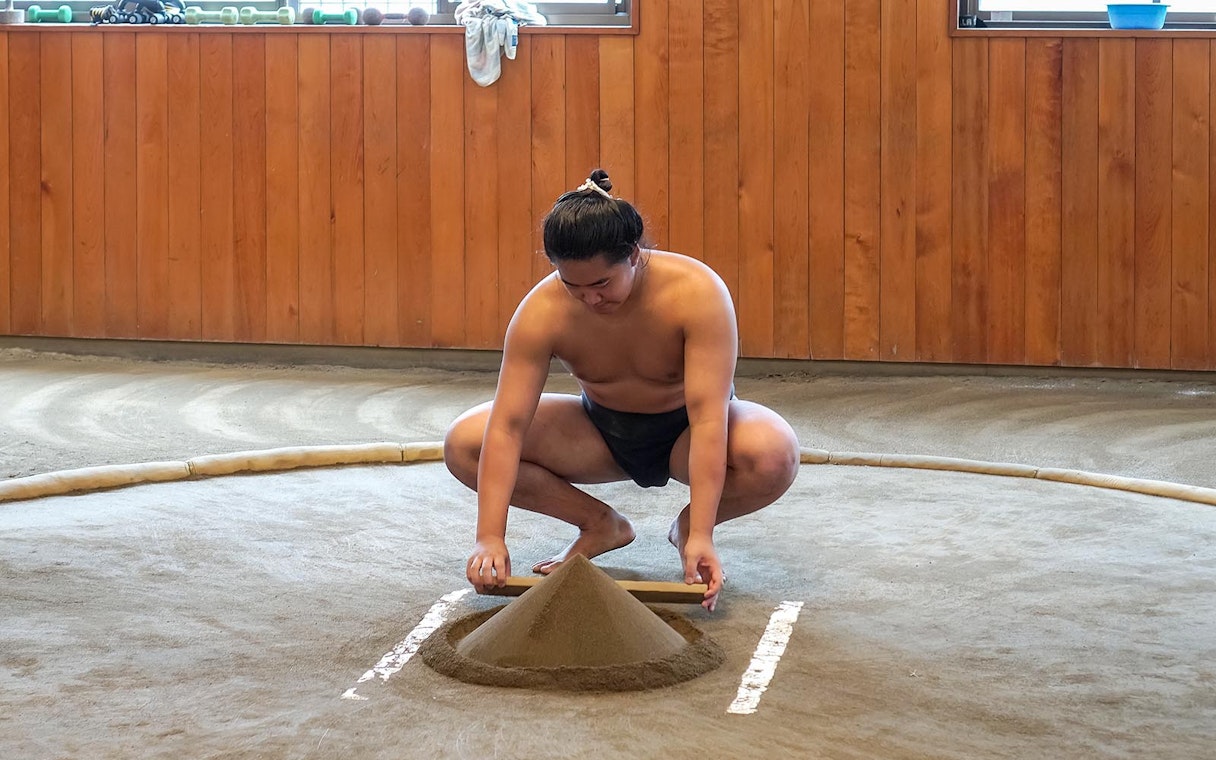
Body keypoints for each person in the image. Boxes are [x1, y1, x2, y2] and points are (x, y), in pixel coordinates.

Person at [443, 169, 800, 611]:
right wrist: (489, 537)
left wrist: (704, 532)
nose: (590, 300)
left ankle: (685, 529)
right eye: (573, 286)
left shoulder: (697, 292)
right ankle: (599, 525)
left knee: (774, 452)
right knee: (465, 443)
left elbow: (709, 419)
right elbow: (508, 426)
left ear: (633, 254)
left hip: (687, 434)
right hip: (599, 433)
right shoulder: (542, 310)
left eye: (601, 284)